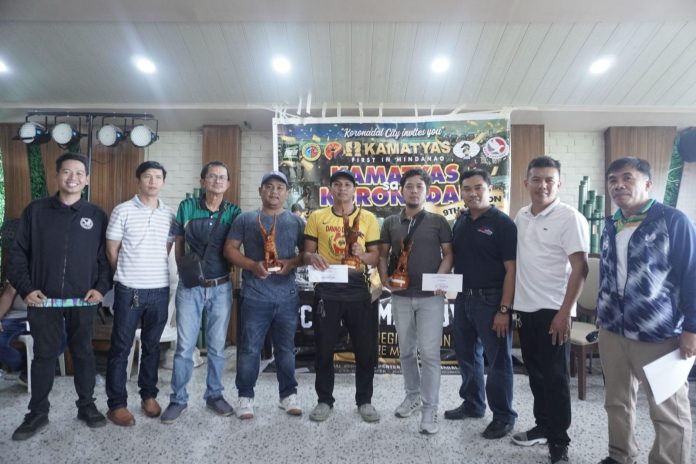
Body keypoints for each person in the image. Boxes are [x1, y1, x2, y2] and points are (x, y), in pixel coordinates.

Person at [596, 157, 695, 464]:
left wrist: (691, 328)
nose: (619, 185)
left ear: (648, 184)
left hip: (659, 332)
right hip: (612, 329)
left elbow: (692, 275)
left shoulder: (673, 220)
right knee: (617, 401)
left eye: (627, 178)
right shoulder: (611, 224)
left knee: (668, 409)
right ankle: (621, 455)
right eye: (613, 180)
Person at [9, 152, 112, 440]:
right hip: (43, 301)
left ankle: (87, 406)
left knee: (84, 353)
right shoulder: (36, 211)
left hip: (84, 300)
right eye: (67, 172)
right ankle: (37, 413)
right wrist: (27, 289)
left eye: (79, 173)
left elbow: (106, 259)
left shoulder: (96, 215)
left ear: (87, 179)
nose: (73, 178)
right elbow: (18, 255)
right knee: (43, 357)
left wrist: (101, 288)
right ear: (57, 176)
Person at [512, 156, 589, 464]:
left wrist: (564, 313)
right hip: (526, 308)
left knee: (555, 378)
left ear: (559, 184)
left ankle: (560, 439)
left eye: (549, 180)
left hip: (554, 310)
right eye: (537, 179)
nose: (542, 185)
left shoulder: (570, 218)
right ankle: (543, 425)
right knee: (536, 374)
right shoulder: (521, 215)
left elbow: (580, 269)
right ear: (526, 182)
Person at [161, 161, 242, 424]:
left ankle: (214, 395)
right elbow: (176, 244)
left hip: (221, 287)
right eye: (212, 176)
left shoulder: (234, 212)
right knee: (185, 347)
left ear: (228, 184)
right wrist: (183, 273)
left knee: (217, 347)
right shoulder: (186, 208)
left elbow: (236, 248)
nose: (217, 181)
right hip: (190, 287)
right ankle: (178, 399)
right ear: (202, 181)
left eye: (222, 177)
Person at [378, 169, 453, 434]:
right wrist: (384, 277)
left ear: (427, 191)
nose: (413, 190)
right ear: (401, 191)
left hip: (430, 298)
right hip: (400, 297)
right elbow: (382, 255)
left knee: (430, 354)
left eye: (419, 186)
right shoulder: (389, 223)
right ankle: (412, 396)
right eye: (409, 186)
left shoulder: (437, 221)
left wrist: (439, 280)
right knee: (407, 351)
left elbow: (448, 254)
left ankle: (429, 410)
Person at [225, 170, 305, 419]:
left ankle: (288, 395)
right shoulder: (245, 219)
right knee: (249, 349)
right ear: (260, 191)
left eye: (280, 188)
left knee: (285, 349)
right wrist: (251, 265)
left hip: (287, 296)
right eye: (268, 187)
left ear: (287, 193)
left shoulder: (296, 222)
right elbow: (230, 249)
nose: (274, 192)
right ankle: (245, 398)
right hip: (255, 295)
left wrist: (290, 264)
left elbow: (306, 253)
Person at [444, 169, 518, 439]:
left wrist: (504, 309)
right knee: (466, 356)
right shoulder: (461, 221)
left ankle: (504, 416)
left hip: (492, 300)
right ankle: (474, 404)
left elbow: (512, 270)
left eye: (478, 187)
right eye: (467, 188)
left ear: (489, 190)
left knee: (498, 361)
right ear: (461, 192)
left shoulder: (502, 223)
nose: (473, 193)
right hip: (463, 298)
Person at [303, 169, 381, 423]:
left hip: (358, 288)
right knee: (324, 348)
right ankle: (324, 400)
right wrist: (312, 257)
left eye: (347, 184)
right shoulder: (317, 216)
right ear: (330, 188)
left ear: (355, 190)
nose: (342, 189)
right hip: (327, 287)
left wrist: (361, 254)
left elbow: (375, 257)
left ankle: (365, 400)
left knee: (365, 349)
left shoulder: (368, 218)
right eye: (337, 184)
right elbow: (307, 254)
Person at [104, 161, 176, 426]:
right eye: (148, 176)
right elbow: (112, 251)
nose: (153, 181)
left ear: (163, 182)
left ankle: (148, 395)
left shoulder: (169, 214)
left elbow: (167, 249)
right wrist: (127, 274)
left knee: (152, 347)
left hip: (159, 289)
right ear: (139, 180)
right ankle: (117, 405)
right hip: (129, 290)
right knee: (121, 348)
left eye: (158, 177)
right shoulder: (122, 211)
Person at [0, 283, 28, 383]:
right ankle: (24, 366)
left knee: (63, 335)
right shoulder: (20, 268)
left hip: (43, 316)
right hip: (15, 316)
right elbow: (8, 294)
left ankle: (31, 369)